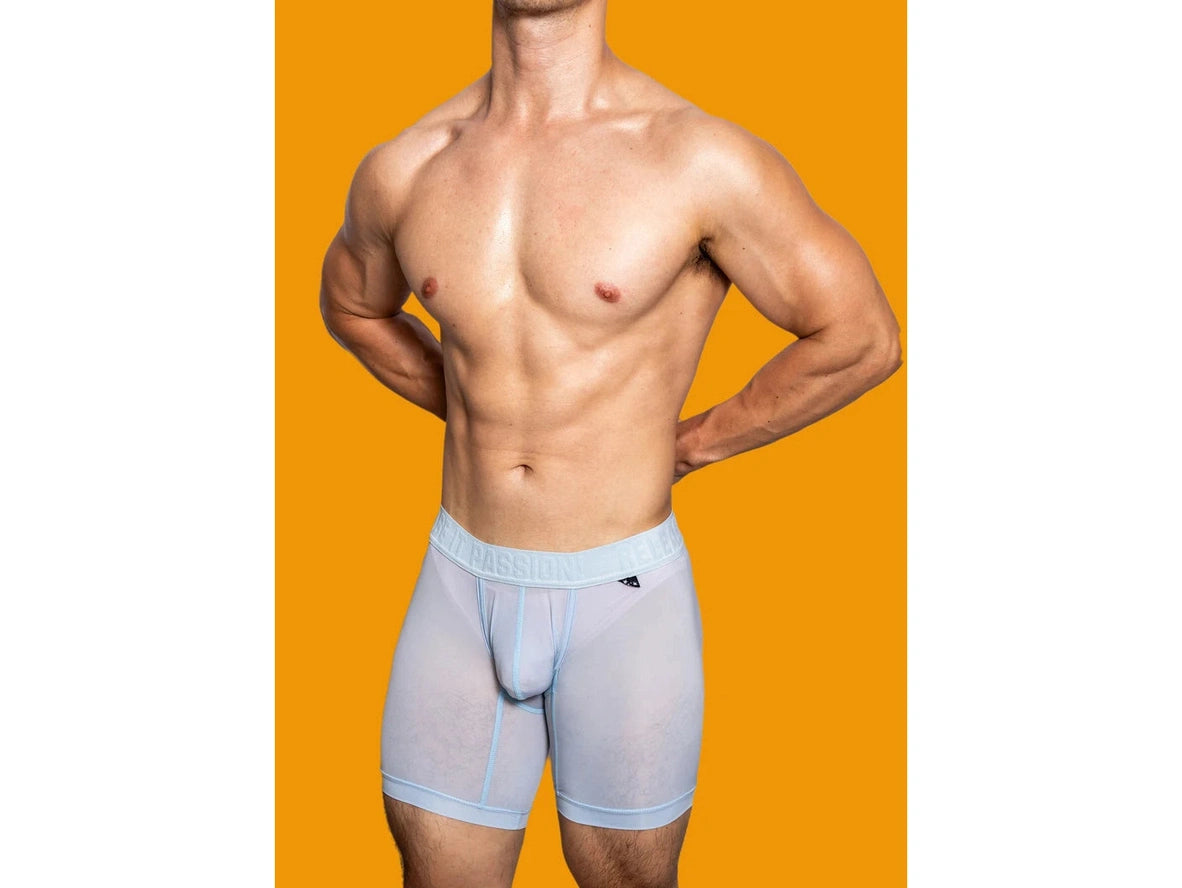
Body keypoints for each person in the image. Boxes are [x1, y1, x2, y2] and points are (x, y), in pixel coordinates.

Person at [319, 1, 901, 885]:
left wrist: (693, 444)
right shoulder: (407, 166)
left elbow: (862, 337)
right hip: (459, 577)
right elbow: (352, 308)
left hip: (621, 596)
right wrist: (480, 407)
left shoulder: (696, 159)